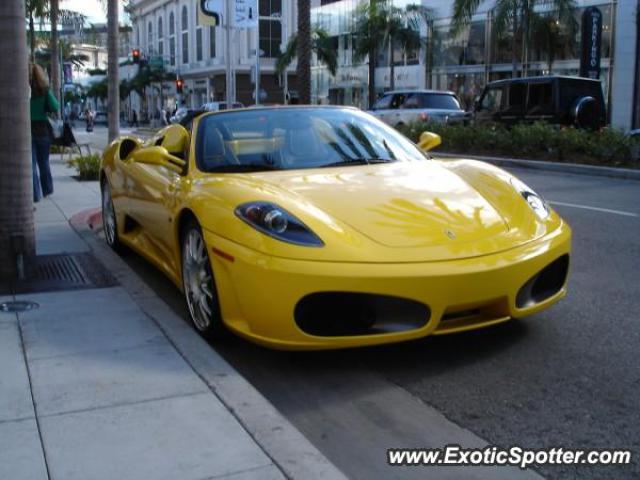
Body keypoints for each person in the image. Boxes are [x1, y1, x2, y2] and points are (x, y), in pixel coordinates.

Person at [29, 63, 58, 203]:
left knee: (31, 164)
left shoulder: (22, 89)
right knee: (44, 162)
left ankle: (35, 194)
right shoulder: (44, 90)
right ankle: (47, 190)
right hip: (42, 131)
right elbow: (55, 106)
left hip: (26, 130)